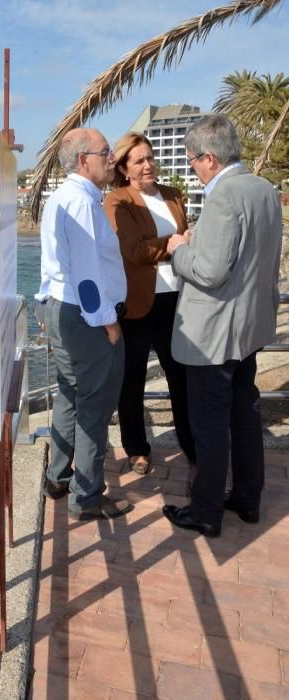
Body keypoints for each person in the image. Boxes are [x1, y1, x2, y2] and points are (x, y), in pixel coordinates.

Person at [163, 114, 283, 538]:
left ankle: (205, 511)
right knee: (245, 416)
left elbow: (210, 272)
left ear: (210, 158)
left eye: (192, 160)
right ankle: (247, 499)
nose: (192, 168)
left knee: (210, 425)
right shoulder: (264, 190)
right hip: (248, 328)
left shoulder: (223, 198)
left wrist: (179, 249)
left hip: (213, 335)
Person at [34, 127, 132, 521]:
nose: (112, 158)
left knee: (69, 395)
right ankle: (86, 496)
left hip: (65, 311)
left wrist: (46, 309)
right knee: (93, 406)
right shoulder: (81, 203)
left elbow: (56, 269)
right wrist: (108, 323)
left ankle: (58, 477)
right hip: (86, 317)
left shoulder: (64, 198)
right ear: (82, 160)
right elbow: (88, 278)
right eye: (105, 152)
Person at [104, 133, 195, 475]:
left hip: (178, 302)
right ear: (125, 169)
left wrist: (174, 244)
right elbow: (133, 251)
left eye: (150, 157)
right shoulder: (117, 201)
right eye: (139, 160)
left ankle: (191, 444)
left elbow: (174, 243)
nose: (148, 164)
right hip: (138, 305)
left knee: (182, 379)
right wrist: (174, 243)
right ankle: (137, 449)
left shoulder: (173, 195)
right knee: (132, 382)